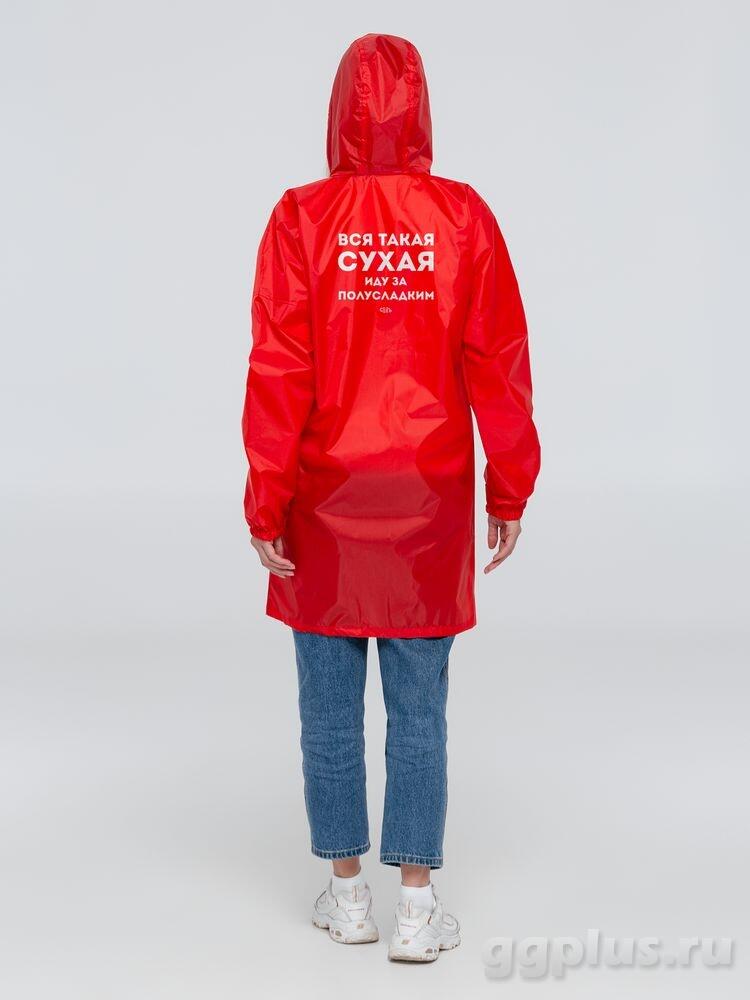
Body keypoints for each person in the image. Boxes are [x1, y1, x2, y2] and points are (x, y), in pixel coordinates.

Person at [242, 33, 540, 963]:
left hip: (324, 499)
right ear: (421, 110)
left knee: (328, 711)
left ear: (339, 111)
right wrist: (510, 483)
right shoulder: (462, 218)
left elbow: (279, 368)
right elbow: (499, 359)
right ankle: (415, 907)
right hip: (426, 504)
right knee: (419, 710)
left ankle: (347, 898)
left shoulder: (301, 217)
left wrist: (265, 500)